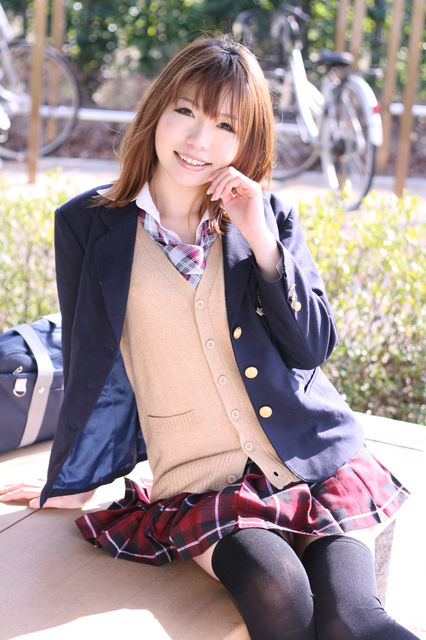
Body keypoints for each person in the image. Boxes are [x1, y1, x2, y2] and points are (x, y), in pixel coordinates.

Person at [0, 35, 418, 640]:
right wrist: (74, 475)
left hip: (313, 459)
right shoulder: (88, 225)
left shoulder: (267, 216)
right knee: (280, 594)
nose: (200, 140)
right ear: (157, 111)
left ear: (248, 141)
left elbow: (311, 349)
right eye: (186, 112)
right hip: (201, 481)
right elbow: (92, 359)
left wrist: (264, 241)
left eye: (226, 125)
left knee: (352, 616)